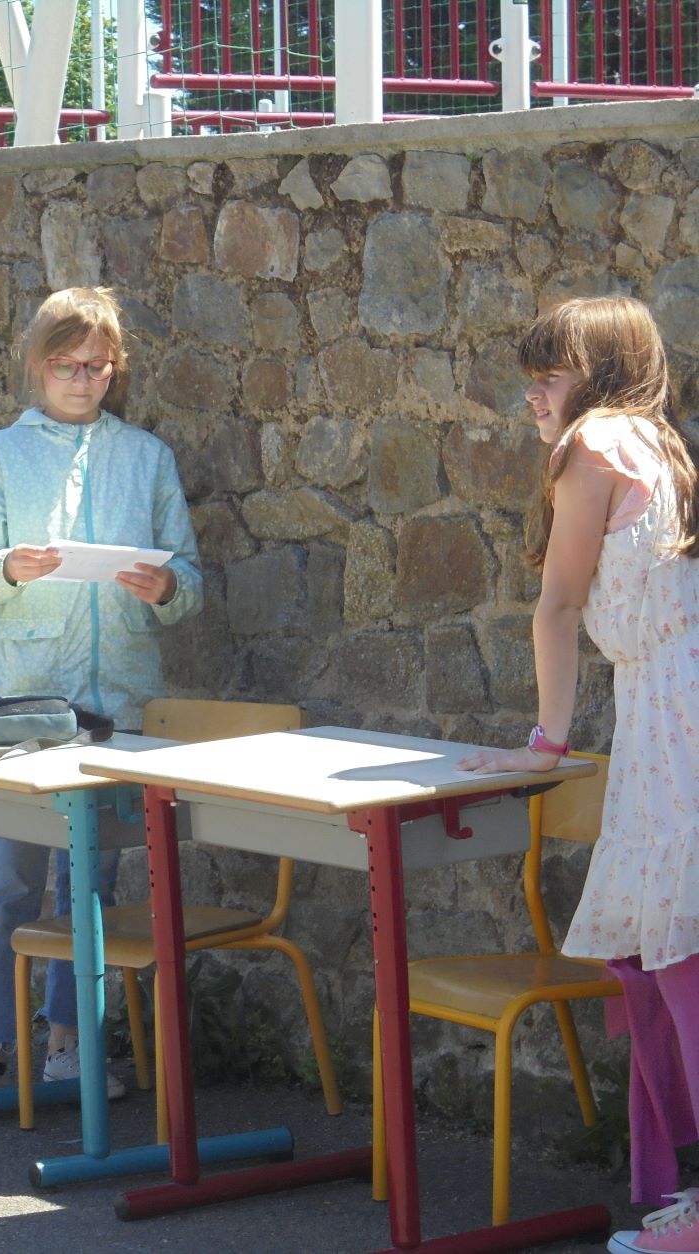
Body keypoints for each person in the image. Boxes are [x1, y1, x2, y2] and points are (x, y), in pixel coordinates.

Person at [458, 297, 699, 1254]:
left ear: (598, 374)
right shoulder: (661, 444)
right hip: (669, 713)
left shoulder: (593, 444)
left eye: (548, 374)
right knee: (677, 952)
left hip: (673, 727)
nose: (533, 395)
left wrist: (546, 744)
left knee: (679, 960)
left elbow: (556, 606)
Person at [0, 286, 204, 1096]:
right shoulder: (2, 455)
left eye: (97, 366)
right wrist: (8, 567)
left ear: (116, 368)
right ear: (37, 364)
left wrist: (166, 588)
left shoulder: (147, 458)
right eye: (67, 366)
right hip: (25, 709)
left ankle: (69, 1047)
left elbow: (190, 579)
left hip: (119, 706)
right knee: (8, 882)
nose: (83, 381)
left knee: (93, 885)